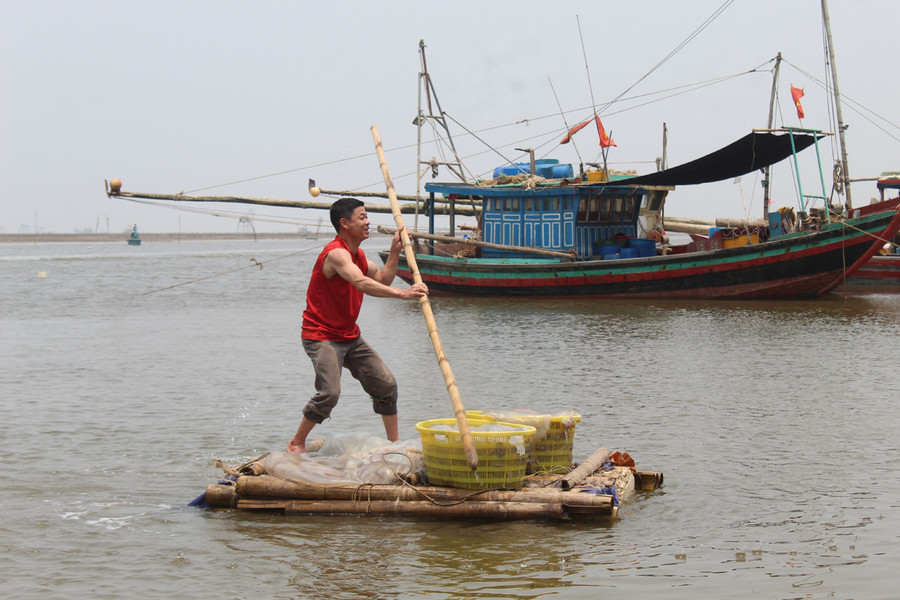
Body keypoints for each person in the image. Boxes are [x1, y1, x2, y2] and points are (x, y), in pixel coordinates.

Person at [286, 197, 428, 453]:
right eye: (362, 217)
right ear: (345, 223)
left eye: (366, 216)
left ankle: (394, 444)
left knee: (386, 384)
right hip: (321, 336)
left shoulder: (359, 256)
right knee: (329, 393)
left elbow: (383, 278)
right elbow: (361, 283)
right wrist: (403, 294)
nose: (368, 221)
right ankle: (297, 443)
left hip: (349, 335)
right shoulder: (336, 254)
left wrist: (395, 250)